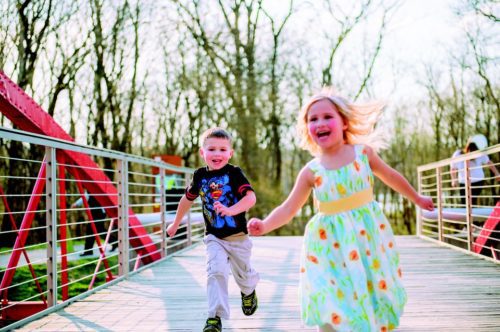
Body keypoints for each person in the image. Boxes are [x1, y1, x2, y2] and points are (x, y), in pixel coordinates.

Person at [248, 88, 434, 332]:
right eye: (312, 119)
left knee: (370, 287)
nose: (320, 123)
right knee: (330, 293)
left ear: (344, 122)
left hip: (366, 238)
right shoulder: (311, 171)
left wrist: (416, 198)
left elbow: (390, 176)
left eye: (327, 117)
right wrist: (265, 224)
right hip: (328, 244)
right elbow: (289, 208)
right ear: (307, 129)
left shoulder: (362, 154)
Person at [166, 127, 259, 332]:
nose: (217, 154)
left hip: (238, 237)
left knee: (244, 276)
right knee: (215, 272)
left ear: (230, 153)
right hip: (214, 237)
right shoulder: (199, 176)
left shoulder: (234, 173)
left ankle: (248, 291)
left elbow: (250, 198)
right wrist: (175, 224)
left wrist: (230, 210)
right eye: (212, 149)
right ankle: (215, 318)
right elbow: (186, 200)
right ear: (202, 152)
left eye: (223, 150)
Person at [450, 135, 499, 206]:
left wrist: (497, 173)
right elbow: (453, 168)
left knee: (471, 201)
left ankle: (471, 213)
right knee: (465, 203)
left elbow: (489, 162)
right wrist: (453, 179)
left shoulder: (480, 154)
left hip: (478, 181)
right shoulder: (458, 154)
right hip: (464, 183)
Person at [71, 191, 117, 256]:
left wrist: (76, 204)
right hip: (99, 213)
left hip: (97, 214)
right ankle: (115, 242)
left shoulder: (91, 190)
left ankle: (88, 251)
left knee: (91, 231)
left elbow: (84, 197)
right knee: (99, 231)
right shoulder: (94, 190)